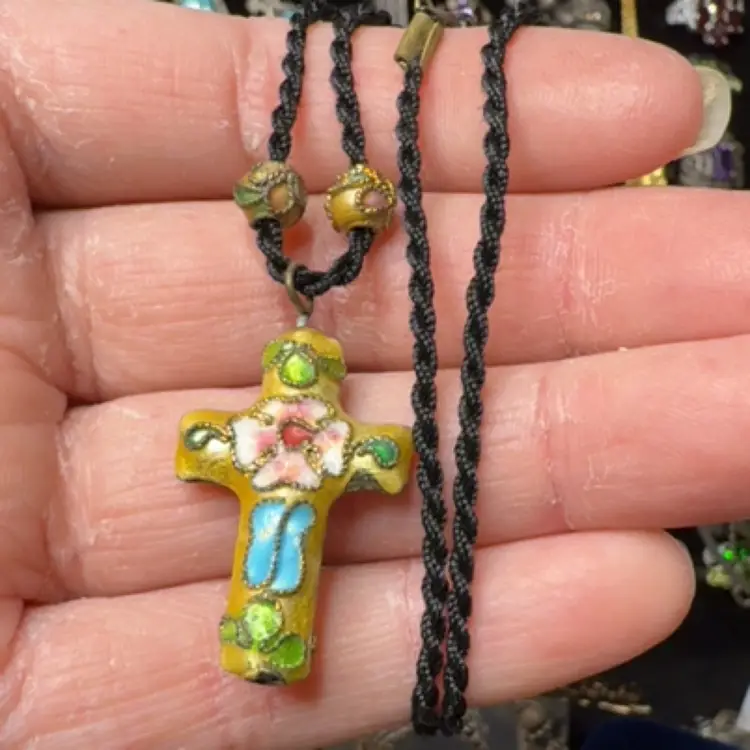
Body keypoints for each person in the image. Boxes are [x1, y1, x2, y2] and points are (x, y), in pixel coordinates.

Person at [0, 0, 739, 747]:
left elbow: (378, 454)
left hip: (301, 513)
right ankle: (264, 637)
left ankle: (273, 636)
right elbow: (208, 440)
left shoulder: (320, 443)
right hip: (275, 516)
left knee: (286, 541)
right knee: (277, 544)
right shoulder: (245, 437)